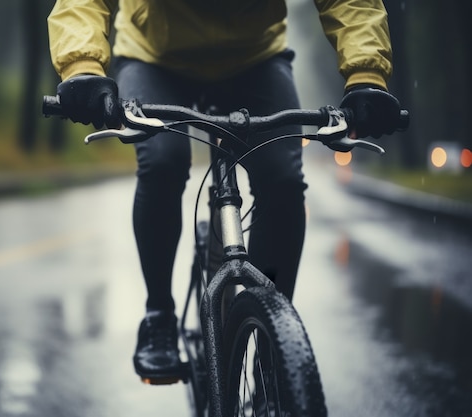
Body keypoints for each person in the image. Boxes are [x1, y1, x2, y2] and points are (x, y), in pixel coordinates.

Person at [47, 0, 402, 383]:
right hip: (155, 57)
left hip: (254, 60)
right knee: (163, 164)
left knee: (282, 181)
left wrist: (367, 74)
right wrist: (82, 66)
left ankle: (273, 338)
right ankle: (159, 317)